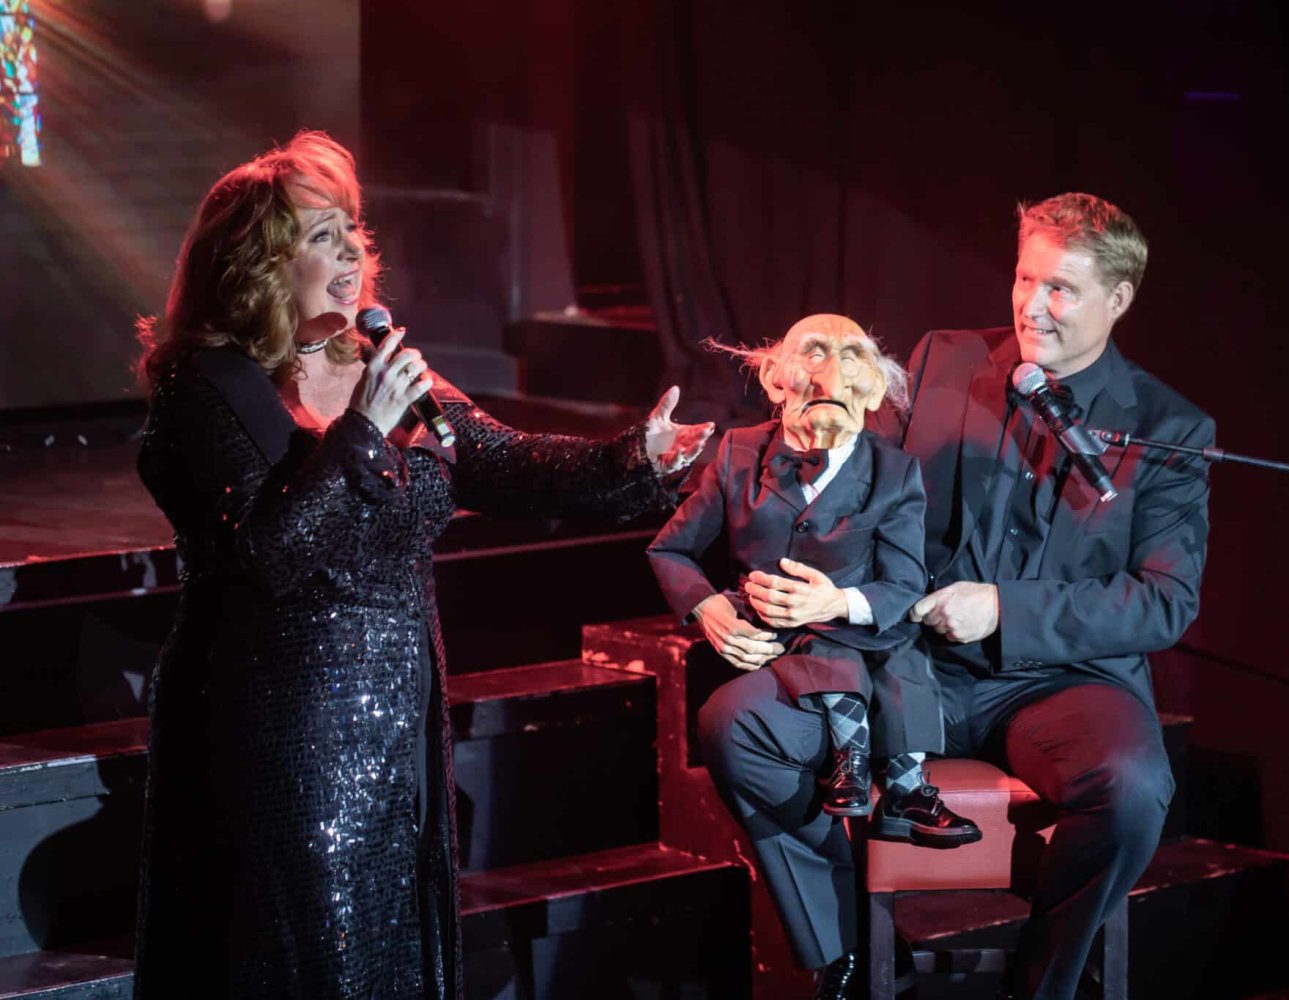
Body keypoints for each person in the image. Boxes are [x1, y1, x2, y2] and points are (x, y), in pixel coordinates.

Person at [131, 131, 712, 998]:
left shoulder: (380, 367)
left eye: (351, 230)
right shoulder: (208, 389)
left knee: (390, 947)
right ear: (259, 265)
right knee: (305, 957)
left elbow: (499, 460)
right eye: (322, 235)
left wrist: (634, 457)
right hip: (278, 725)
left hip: (397, 715)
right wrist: (362, 433)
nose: (350, 253)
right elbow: (269, 551)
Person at [698, 193, 1214, 999]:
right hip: (907, 662)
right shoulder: (944, 358)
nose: (1032, 306)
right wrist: (725, 486)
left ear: (1118, 299)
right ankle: (849, 953)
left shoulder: (1166, 426)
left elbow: (1163, 601)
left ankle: (1041, 983)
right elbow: (849, 478)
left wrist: (1004, 609)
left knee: (1133, 788)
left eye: (1061, 289)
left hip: (1063, 683)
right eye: (1025, 279)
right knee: (738, 726)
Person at [647, 314, 980, 846]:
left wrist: (837, 601)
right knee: (832, 655)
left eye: (851, 359)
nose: (831, 378)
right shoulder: (739, 454)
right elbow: (671, 549)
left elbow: (902, 584)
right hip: (775, 633)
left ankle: (905, 786)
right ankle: (858, 764)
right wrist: (710, 609)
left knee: (901, 651)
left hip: (861, 627)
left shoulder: (894, 472)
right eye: (815, 354)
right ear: (775, 379)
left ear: (873, 391)